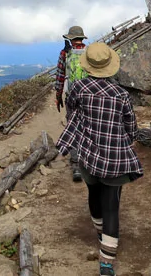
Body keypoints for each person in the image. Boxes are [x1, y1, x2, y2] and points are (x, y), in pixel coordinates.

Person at [57, 42, 143, 276]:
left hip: (88, 155)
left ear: (88, 66)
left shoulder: (79, 89)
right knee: (112, 206)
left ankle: (99, 234)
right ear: (109, 66)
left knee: (93, 194)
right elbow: (131, 128)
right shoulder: (121, 94)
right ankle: (106, 264)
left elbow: (72, 113)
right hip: (115, 158)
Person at [54, 25, 89, 182]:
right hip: (89, 96)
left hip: (71, 96)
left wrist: (58, 95)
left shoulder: (65, 52)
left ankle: (76, 166)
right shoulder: (89, 52)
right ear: (82, 38)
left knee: (73, 128)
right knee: (89, 127)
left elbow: (61, 75)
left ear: (70, 38)